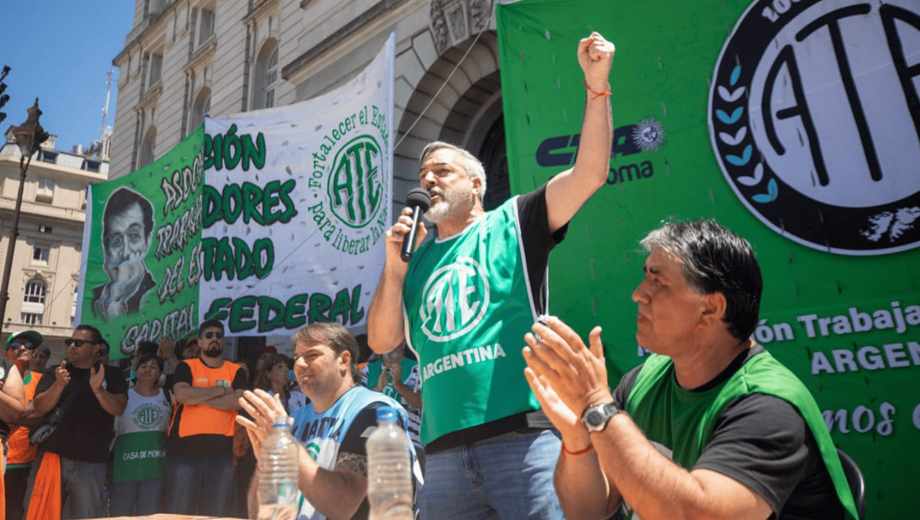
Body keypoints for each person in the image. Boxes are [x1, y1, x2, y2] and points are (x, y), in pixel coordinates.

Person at [366, 32, 615, 518]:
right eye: (423, 179)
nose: (429, 181)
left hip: (522, 442)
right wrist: (393, 272)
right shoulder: (414, 260)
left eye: (442, 171)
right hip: (441, 456)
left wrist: (597, 88)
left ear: (477, 183)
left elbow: (589, 175)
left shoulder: (516, 222)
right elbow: (380, 342)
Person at [522, 220, 860, 520]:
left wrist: (597, 404)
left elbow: (696, 515)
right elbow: (589, 511)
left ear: (710, 308)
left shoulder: (767, 407)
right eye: (644, 276)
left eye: (659, 282)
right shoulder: (642, 382)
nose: (639, 294)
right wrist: (578, 439)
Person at [237, 322, 421, 520]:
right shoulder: (296, 419)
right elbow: (260, 514)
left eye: (311, 355)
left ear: (343, 359)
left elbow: (342, 505)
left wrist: (286, 446)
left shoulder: (374, 410)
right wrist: (267, 461)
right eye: (297, 357)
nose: (298, 364)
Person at [26, 324, 127, 519]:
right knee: (41, 513)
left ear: (96, 348)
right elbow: (40, 407)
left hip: (91, 463)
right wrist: (59, 384)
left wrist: (99, 390)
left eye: (78, 343)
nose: (71, 346)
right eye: (69, 342)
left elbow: (118, 408)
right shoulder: (56, 371)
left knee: (87, 516)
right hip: (53, 458)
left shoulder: (112, 375)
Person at [163, 319, 247, 516]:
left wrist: (197, 397)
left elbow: (238, 402)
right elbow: (182, 395)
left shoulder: (235, 370)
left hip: (223, 453)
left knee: (216, 513)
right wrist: (220, 390)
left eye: (218, 335)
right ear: (200, 342)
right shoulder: (186, 366)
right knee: (179, 513)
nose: (214, 339)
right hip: (184, 452)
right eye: (209, 335)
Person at [110, 354, 171, 516]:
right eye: (143, 366)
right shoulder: (123, 395)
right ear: (135, 371)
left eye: (153, 367)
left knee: (151, 515)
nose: (148, 370)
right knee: (120, 515)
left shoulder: (167, 396)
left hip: (155, 469)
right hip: (125, 469)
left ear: (160, 373)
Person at [91, 187, 156, 321]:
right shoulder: (92, 299)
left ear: (147, 240)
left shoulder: (158, 296)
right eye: (116, 241)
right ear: (106, 248)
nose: (126, 252)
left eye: (134, 236)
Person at [5, 331, 43, 520]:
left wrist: (20, 416)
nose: (24, 348)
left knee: (17, 511)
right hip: (4, 459)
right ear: (6, 353)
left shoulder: (40, 381)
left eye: (29, 346)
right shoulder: (2, 377)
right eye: (17, 344)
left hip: (27, 462)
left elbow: (41, 416)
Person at [361, 344, 422, 456]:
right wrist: (378, 389)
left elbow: (420, 403)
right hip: (374, 443)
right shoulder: (369, 369)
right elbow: (359, 406)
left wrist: (398, 385)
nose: (390, 347)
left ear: (402, 343)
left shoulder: (417, 368)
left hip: (409, 443)